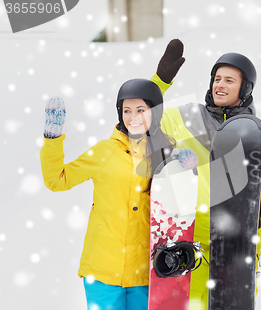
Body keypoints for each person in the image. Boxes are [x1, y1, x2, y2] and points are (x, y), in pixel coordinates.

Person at [150, 40, 261, 308]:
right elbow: (142, 121)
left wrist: (260, 201)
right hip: (190, 250)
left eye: (230, 80)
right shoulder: (188, 116)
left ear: (246, 88)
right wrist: (159, 82)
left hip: (236, 253)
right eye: (217, 78)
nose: (220, 84)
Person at [40, 79, 176, 309]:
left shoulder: (165, 152)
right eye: (127, 110)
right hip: (103, 271)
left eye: (141, 110)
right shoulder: (104, 151)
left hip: (146, 272)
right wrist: (52, 141)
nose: (133, 117)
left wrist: (184, 166)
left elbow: (180, 207)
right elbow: (57, 180)